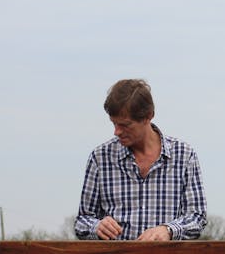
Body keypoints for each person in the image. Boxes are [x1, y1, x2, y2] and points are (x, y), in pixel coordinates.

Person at [75, 79, 207, 240]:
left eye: (125, 125)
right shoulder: (100, 158)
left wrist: (169, 230)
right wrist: (96, 226)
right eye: (114, 124)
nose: (117, 132)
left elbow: (197, 217)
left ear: (148, 116)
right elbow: (82, 221)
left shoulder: (184, 155)